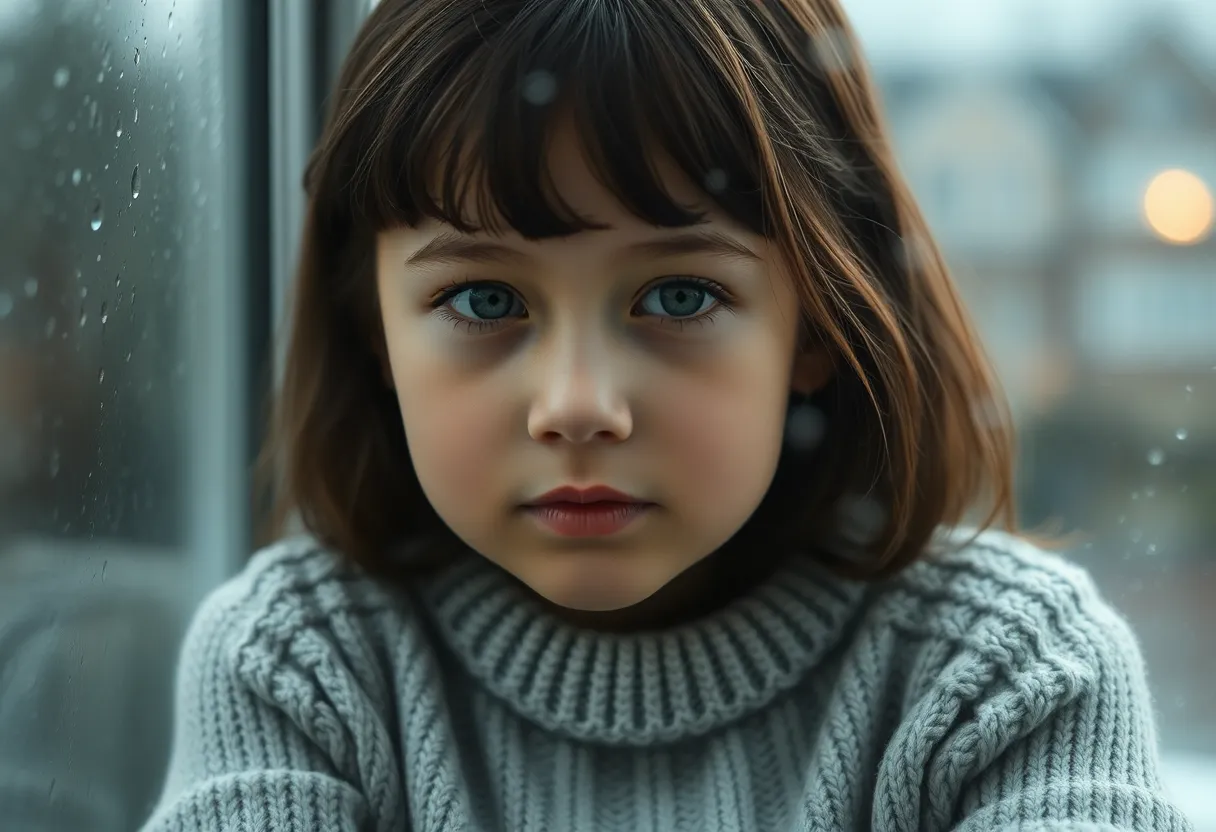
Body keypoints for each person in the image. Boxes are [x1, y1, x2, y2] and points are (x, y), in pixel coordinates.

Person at [140, 0, 1195, 829]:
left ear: (817, 325)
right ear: (371, 325)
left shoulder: (1006, 678)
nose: (578, 406)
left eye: (679, 296)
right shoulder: (299, 669)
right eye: (484, 301)